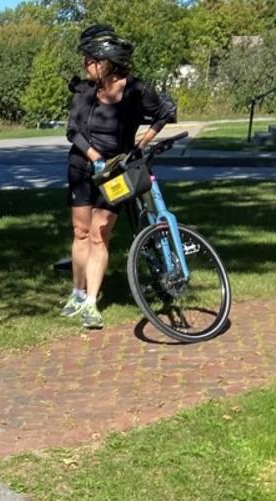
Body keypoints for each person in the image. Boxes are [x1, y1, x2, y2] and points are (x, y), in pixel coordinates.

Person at [62, 24, 176, 329]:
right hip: (82, 167)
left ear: (105, 61)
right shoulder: (85, 91)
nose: (84, 65)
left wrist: (142, 142)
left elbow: (166, 112)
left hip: (116, 172)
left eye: (88, 59)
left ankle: (91, 302)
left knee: (100, 232)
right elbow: (72, 130)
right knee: (81, 231)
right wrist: (95, 157)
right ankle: (76, 291)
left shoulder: (136, 91)